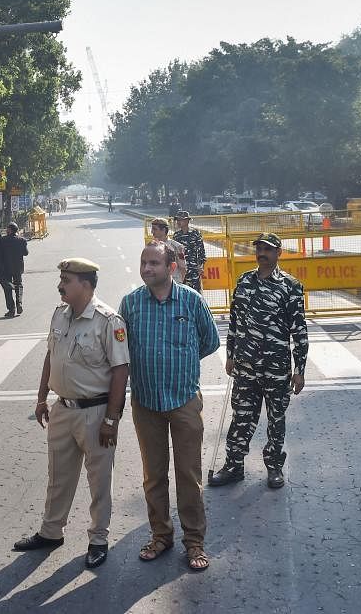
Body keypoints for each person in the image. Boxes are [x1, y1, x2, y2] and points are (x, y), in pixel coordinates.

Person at [13, 258, 129, 569]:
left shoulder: (108, 321)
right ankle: (51, 531)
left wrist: (111, 419)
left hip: (96, 411)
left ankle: (98, 539)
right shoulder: (59, 314)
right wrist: (41, 398)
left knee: (99, 480)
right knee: (58, 476)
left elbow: (120, 371)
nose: (60, 285)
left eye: (67, 279)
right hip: (63, 409)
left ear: (87, 285)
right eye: (62, 278)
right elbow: (51, 356)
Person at [119, 243, 220, 572]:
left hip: (184, 401)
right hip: (146, 402)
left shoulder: (191, 301)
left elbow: (210, 341)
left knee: (188, 475)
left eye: (153, 263)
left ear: (171, 267)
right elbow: (122, 351)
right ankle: (161, 534)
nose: (146, 269)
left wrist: (181, 366)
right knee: (154, 475)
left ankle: (194, 541)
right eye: (143, 262)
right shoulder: (131, 304)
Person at [209, 233, 308, 490]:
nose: (262, 253)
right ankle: (234, 465)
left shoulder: (290, 286)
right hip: (245, 367)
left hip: (276, 368)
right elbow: (234, 322)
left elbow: (299, 331)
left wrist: (300, 370)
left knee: (276, 418)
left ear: (279, 253)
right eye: (259, 248)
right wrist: (230, 354)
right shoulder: (243, 282)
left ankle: (274, 466)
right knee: (241, 416)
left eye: (268, 249)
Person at [0, 222, 29, 317]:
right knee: (18, 285)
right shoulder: (21, 240)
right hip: (18, 267)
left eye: (7, 229)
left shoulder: (2, 240)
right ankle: (19, 303)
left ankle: (11, 309)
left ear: (10, 230)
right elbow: (26, 253)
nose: (6, 230)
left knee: (8, 289)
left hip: (6, 268)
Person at [172, 211, 207, 293]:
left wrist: (201, 267)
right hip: (181, 269)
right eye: (177, 220)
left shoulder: (195, 233)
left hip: (194, 269)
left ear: (187, 221)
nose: (178, 222)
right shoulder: (176, 235)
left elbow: (201, 251)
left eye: (181, 220)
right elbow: (174, 253)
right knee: (181, 292)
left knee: (195, 293)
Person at [148, 218, 186, 284]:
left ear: (163, 230)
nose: (152, 232)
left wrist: (179, 284)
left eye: (154, 229)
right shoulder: (151, 247)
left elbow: (183, 268)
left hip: (173, 283)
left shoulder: (177, 247)